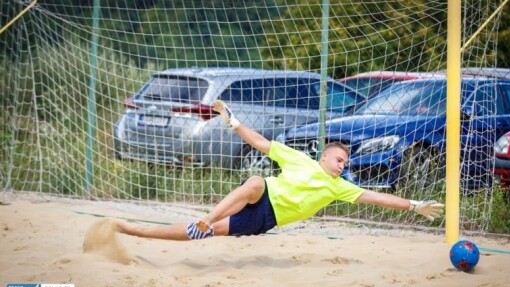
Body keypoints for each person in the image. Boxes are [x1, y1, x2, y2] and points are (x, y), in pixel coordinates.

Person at [115, 100, 444, 240]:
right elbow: (259, 142)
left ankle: (136, 231)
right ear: (325, 156)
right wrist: (233, 121)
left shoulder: (338, 187)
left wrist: (414, 205)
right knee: (257, 180)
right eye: (340, 160)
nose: (344, 166)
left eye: (346, 164)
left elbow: (376, 198)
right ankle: (211, 215)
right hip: (260, 192)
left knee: (200, 234)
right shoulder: (299, 158)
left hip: (264, 218)